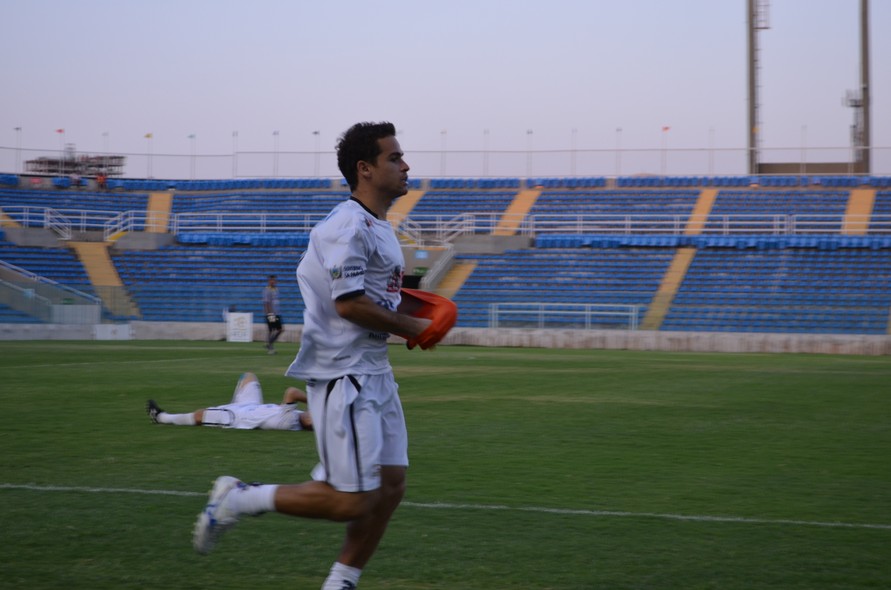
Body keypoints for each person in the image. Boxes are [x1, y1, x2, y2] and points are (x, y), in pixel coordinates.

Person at [193, 121, 435, 590]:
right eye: (394, 157)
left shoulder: (380, 228)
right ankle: (237, 498)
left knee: (391, 487)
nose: (406, 165)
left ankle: (340, 583)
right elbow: (349, 304)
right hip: (344, 377)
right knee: (350, 501)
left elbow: (377, 297)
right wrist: (415, 328)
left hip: (374, 373)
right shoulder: (345, 225)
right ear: (364, 169)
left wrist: (421, 311)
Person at [145, 372, 313, 431]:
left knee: (199, 416)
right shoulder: (294, 416)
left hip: (236, 417)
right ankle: (229, 404)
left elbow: (292, 392)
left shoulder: (290, 422)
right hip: (251, 406)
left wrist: (313, 402)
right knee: (249, 376)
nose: (311, 415)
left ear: (308, 424)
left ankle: (161, 417)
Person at [263, 274, 283, 354]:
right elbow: (266, 303)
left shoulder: (276, 289)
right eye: (271, 280)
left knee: (280, 329)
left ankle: (269, 344)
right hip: (271, 314)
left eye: (274, 280)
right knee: (271, 330)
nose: (273, 282)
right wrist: (270, 314)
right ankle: (270, 348)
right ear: (269, 281)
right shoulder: (267, 290)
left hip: (277, 313)